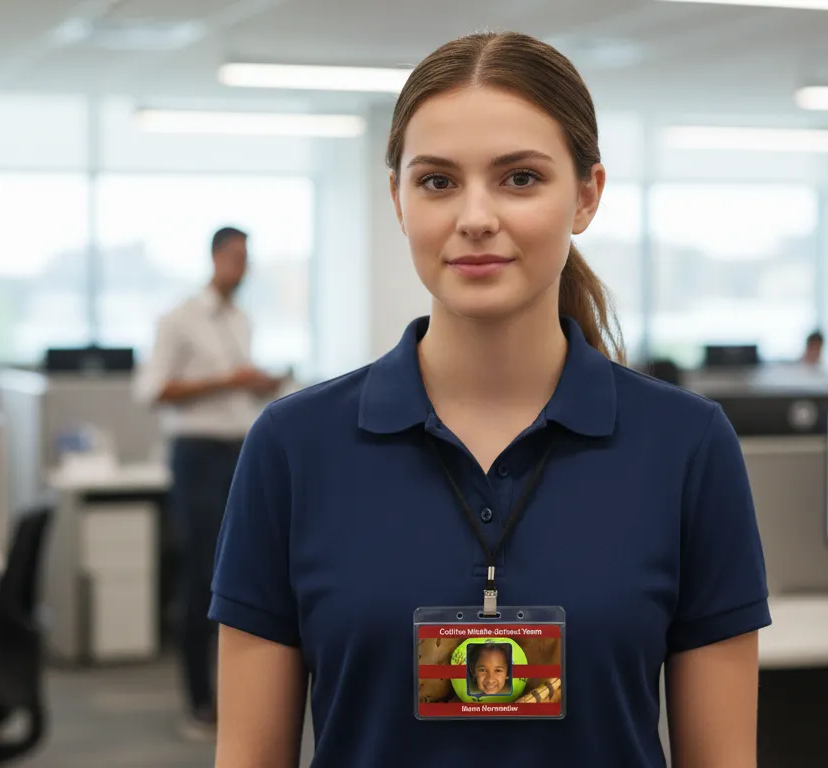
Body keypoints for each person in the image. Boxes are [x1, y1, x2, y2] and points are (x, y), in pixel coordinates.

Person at [210, 31, 769, 767]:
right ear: (398, 200)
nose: (475, 216)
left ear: (587, 196)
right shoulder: (292, 446)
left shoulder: (687, 447)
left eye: (520, 178)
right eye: (437, 181)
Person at [136, 225, 285, 740]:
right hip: (196, 454)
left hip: (238, 451)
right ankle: (199, 700)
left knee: (247, 573)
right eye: (236, 256)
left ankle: (240, 696)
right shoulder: (180, 318)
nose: (242, 266)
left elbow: (237, 390)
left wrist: (261, 385)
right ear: (216, 257)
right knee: (203, 575)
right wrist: (230, 381)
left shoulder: (242, 319)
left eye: (248, 257)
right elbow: (152, 389)